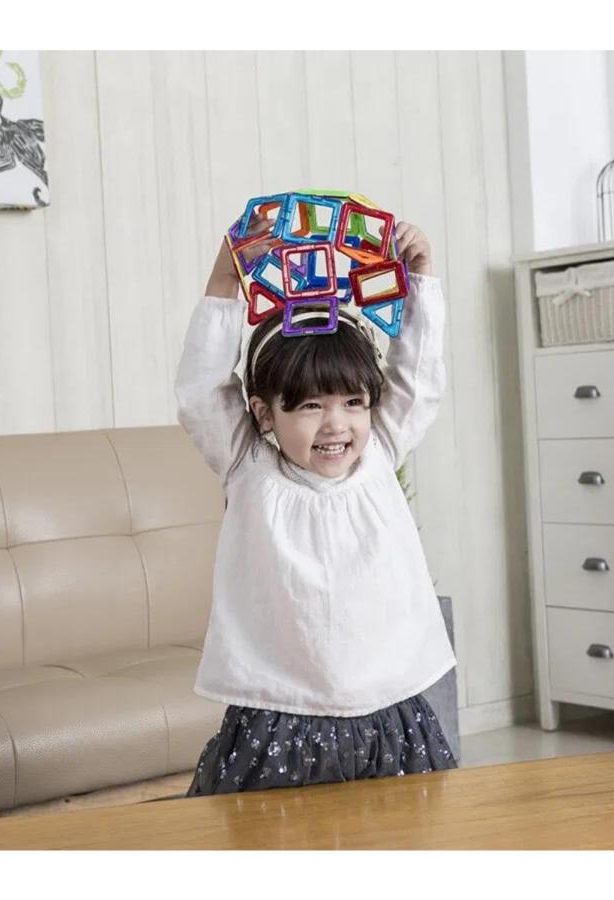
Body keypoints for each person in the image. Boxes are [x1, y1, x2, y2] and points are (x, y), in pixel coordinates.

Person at [175, 211, 457, 794]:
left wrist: (421, 279)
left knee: (399, 835)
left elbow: (419, 378)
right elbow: (202, 391)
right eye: (309, 406)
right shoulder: (248, 465)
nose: (336, 425)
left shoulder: (380, 451)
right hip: (280, 715)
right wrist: (225, 279)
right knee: (272, 838)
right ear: (263, 413)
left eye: (353, 402)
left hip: (388, 711)